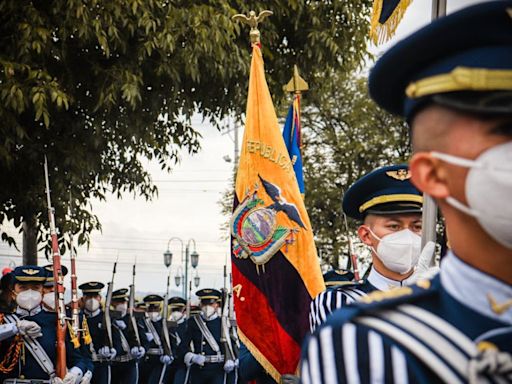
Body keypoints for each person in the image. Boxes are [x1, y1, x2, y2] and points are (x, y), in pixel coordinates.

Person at [300, 2, 512, 383]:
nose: (408, 235)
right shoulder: (368, 344)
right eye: (505, 128)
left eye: (417, 225)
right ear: (433, 175)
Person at [309, 164, 435, 332]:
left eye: (416, 226)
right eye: (394, 226)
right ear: (366, 236)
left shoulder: (440, 299)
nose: (407, 235)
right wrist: (409, 299)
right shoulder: (337, 302)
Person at [1, 266, 88, 383]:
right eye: (23, 288)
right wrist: (13, 328)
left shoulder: (58, 321)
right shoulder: (4, 320)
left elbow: (77, 359)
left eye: (35, 288)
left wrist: (75, 374)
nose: (29, 293)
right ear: (13, 292)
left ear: (42, 291)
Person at [42, 265, 94, 383]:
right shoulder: (33, 318)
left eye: (56, 287)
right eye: (48, 287)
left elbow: (86, 355)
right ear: (41, 289)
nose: (52, 291)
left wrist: (84, 371)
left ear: (63, 290)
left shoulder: (75, 317)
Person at [178, 288, 236, 384]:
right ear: (200, 305)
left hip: (218, 369)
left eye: (211, 303)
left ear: (216, 305)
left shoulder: (223, 322)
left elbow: (232, 345)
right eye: (204, 303)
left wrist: (231, 359)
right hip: (199, 370)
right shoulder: (194, 322)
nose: (207, 307)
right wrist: (192, 357)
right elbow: (182, 347)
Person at [109, 288, 142, 384]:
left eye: (124, 301)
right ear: (112, 303)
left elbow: (141, 337)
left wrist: (139, 348)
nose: (122, 304)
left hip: (129, 362)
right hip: (113, 363)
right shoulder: (107, 318)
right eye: (119, 302)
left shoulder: (132, 319)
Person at [139, 294, 173, 384]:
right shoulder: (142, 323)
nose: (153, 311)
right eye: (150, 309)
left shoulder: (166, 324)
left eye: (155, 308)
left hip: (160, 359)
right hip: (146, 359)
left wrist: (168, 354)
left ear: (160, 309)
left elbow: (171, 342)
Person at [167, 296, 187, 384]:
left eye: (178, 309)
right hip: (169, 362)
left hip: (183, 363)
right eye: (173, 309)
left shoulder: (188, 325)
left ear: (183, 310)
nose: (175, 312)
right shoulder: (166, 326)